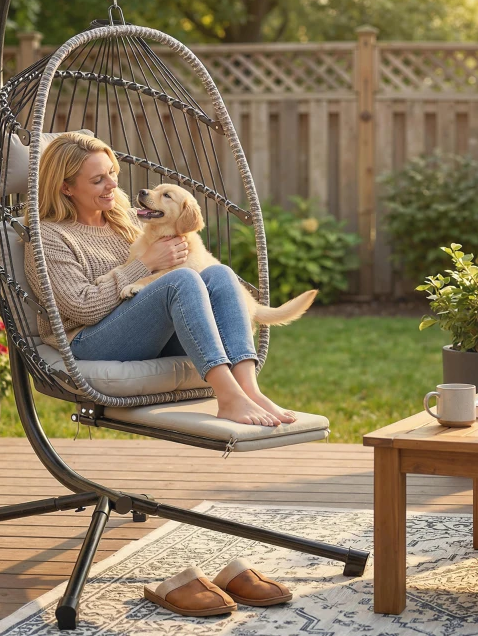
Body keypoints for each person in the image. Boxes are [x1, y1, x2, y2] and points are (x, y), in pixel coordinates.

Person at [24, 133, 295, 428]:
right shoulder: (48, 236)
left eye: (112, 173)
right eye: (98, 180)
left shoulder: (127, 219)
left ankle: (250, 391)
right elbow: (81, 308)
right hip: (88, 340)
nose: (113, 185)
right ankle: (228, 398)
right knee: (181, 281)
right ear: (66, 187)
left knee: (219, 274)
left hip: (147, 335)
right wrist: (146, 264)